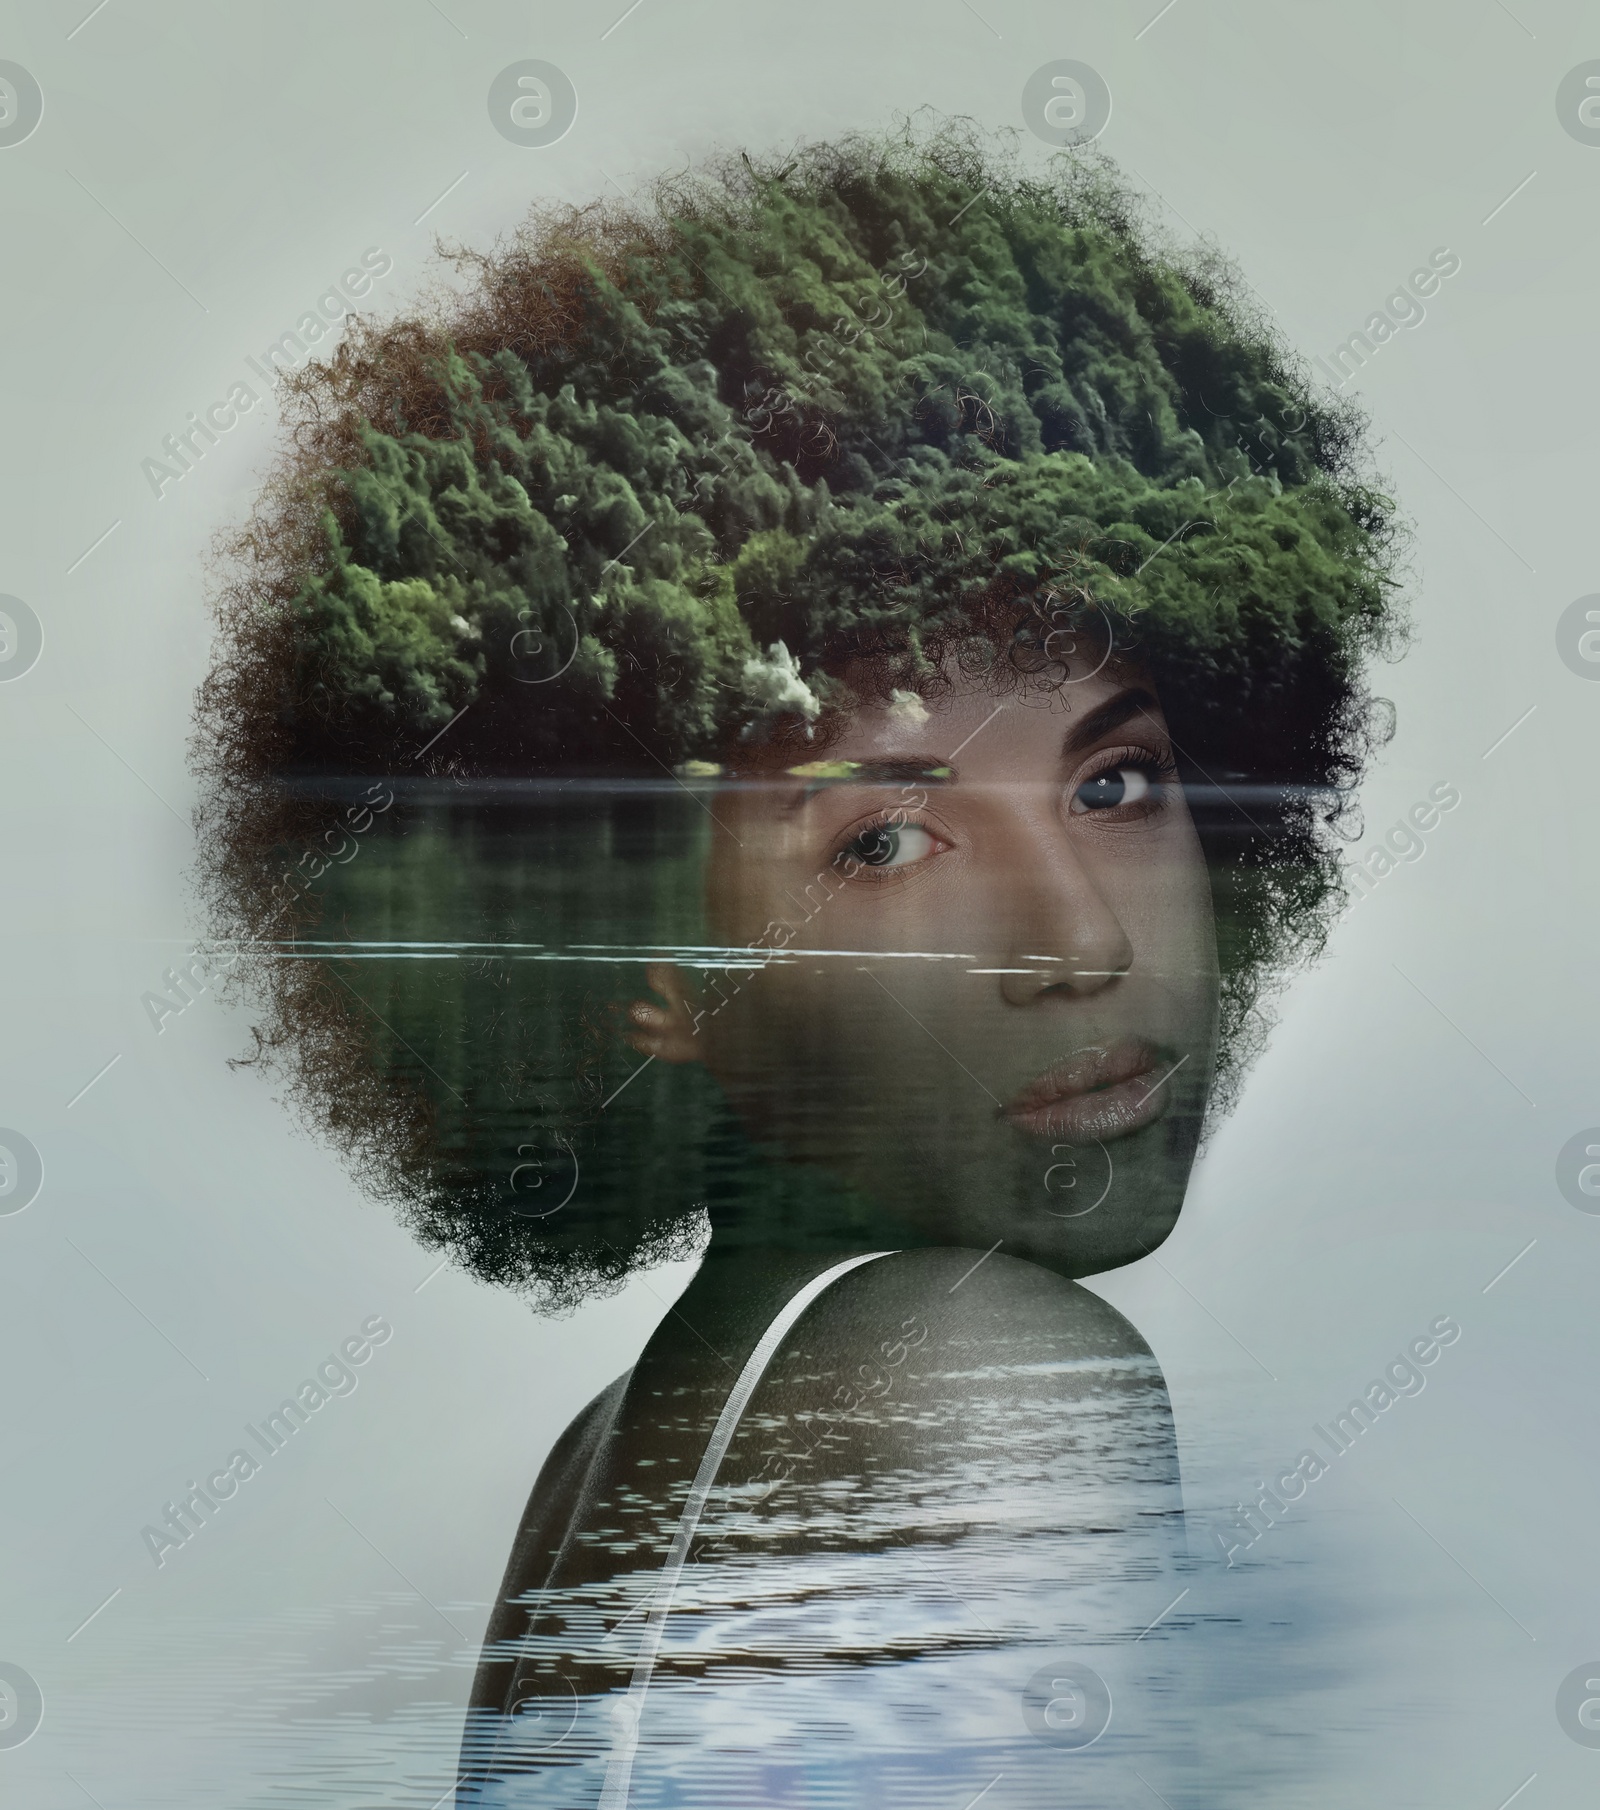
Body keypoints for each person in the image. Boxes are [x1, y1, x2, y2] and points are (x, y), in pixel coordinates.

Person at [193, 124, 1403, 1805]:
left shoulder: (609, 1457)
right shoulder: (987, 1373)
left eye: (1113, 782)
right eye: (884, 841)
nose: (1085, 942)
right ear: (645, 978)